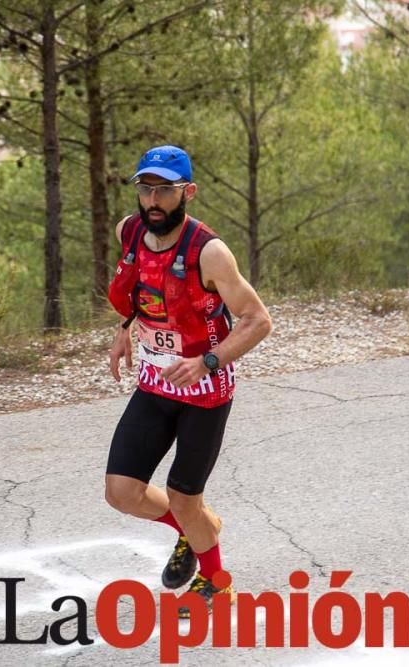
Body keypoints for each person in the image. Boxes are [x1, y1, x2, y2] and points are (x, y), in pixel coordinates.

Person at [104, 145, 273, 616]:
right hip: (155, 385)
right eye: (146, 189)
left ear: (188, 192)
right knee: (121, 492)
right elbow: (141, 290)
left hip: (204, 393)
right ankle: (192, 528)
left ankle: (218, 585)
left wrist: (209, 362)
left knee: (183, 497)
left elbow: (258, 321)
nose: (153, 200)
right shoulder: (130, 231)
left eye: (164, 190)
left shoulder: (210, 252)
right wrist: (123, 330)